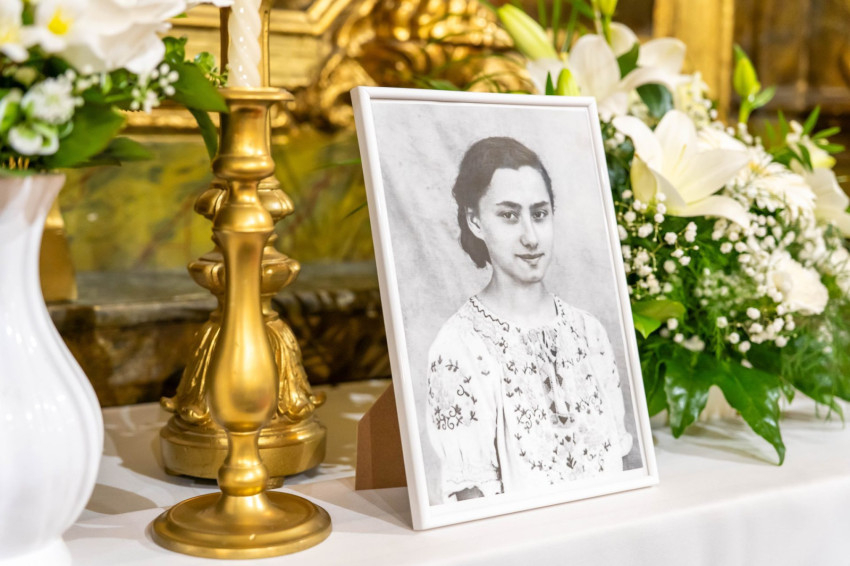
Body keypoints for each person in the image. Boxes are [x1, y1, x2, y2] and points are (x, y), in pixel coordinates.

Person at [426, 137, 633, 504]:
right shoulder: (459, 347)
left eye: (539, 214)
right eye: (509, 215)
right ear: (475, 221)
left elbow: (619, 463)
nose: (531, 237)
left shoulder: (588, 332)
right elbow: (472, 502)